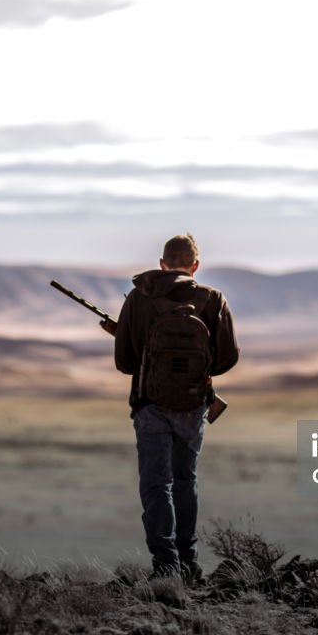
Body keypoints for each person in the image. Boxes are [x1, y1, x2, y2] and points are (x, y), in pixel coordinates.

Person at [114, 233, 239, 582]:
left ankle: (165, 566)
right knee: (185, 481)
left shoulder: (140, 298)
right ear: (195, 265)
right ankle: (189, 563)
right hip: (192, 406)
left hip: (149, 404)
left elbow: (124, 362)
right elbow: (227, 358)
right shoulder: (212, 299)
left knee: (157, 486)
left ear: (162, 264)